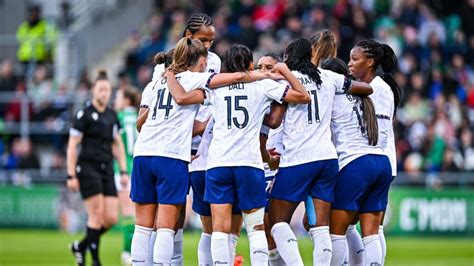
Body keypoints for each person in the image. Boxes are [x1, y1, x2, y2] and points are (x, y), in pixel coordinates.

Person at [130, 37, 281, 265]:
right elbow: (232, 78)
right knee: (166, 226)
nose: (207, 64)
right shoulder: (195, 79)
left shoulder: (156, 83)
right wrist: (263, 75)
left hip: (143, 152)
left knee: (142, 227)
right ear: (198, 61)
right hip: (171, 156)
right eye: (204, 60)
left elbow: (141, 123)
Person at [201, 44, 310, 265]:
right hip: (248, 163)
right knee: (256, 228)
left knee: (220, 229)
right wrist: (279, 74)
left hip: (218, 163)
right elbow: (302, 95)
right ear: (251, 65)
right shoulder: (262, 85)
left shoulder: (215, 87)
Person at [268, 38, 372, 266]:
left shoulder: (287, 80)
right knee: (320, 226)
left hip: (298, 158)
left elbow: (274, 122)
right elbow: (366, 88)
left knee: (276, 222)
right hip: (326, 159)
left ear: (288, 57)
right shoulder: (328, 77)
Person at [329, 40, 400, 266]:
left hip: (358, 161)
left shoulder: (373, 89)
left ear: (370, 61)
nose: (350, 64)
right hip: (382, 162)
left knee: (337, 229)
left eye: (355, 59)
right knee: (372, 231)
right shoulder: (381, 88)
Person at [67, 70, 129, 266]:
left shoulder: (112, 115)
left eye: (108, 90)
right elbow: (72, 145)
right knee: (96, 215)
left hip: (107, 169)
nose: (105, 93)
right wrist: (71, 175)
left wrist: (124, 170)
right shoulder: (83, 114)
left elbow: (117, 144)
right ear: (93, 90)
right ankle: (95, 261)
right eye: (101, 89)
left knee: (110, 219)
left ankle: (81, 246)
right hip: (87, 168)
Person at [255, 53, 287, 265]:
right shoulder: (256, 91)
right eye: (260, 67)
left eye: (269, 67)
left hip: (283, 163)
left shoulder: (286, 92)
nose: (264, 71)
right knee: (265, 226)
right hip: (262, 163)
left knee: (274, 224)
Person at [113, 85, 141, 266]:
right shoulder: (141, 116)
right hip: (139, 169)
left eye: (118, 97)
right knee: (138, 214)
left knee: (127, 214)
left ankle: (127, 252)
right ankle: (138, 252)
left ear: (126, 100)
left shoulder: (119, 118)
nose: (115, 101)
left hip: (122, 170)